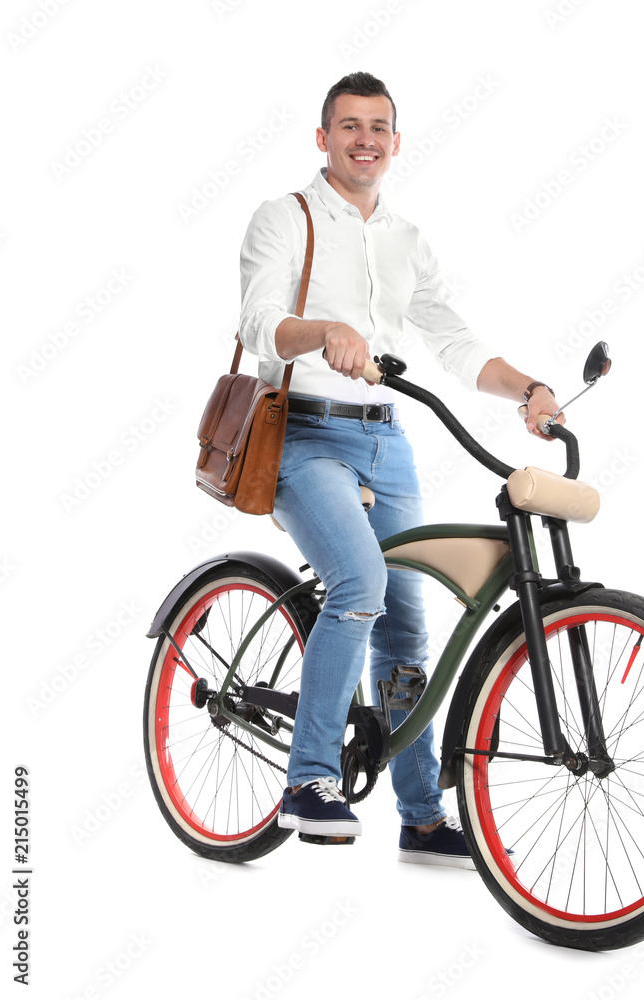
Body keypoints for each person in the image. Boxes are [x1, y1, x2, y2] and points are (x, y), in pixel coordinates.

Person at [238, 72, 561, 868]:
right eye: (348, 126)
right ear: (322, 137)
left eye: (378, 127)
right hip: (302, 434)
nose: (364, 140)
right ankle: (307, 779)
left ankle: (419, 815)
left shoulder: (406, 237)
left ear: (395, 140)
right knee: (359, 587)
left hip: (385, 441)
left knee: (407, 625)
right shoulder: (286, 217)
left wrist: (525, 388)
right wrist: (325, 332)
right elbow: (257, 324)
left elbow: (454, 343)